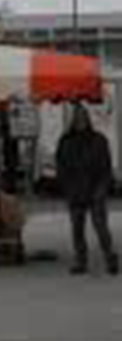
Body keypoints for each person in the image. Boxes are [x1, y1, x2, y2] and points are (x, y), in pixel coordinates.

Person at [56, 104, 119, 275]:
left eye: (83, 117)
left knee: (100, 227)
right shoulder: (65, 141)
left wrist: (102, 190)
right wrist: (66, 188)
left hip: (95, 190)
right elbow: (60, 168)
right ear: (73, 121)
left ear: (88, 119)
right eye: (78, 118)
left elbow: (106, 168)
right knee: (77, 229)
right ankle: (80, 261)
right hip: (75, 192)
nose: (81, 121)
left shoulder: (99, 140)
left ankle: (110, 257)